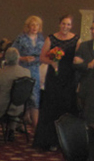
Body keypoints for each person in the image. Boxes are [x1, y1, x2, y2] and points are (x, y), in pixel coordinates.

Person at [33, 14, 78, 152]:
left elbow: (77, 58)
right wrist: (52, 62)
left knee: (66, 106)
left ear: (71, 26)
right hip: (54, 76)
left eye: (68, 24)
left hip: (69, 77)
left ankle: (65, 141)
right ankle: (49, 140)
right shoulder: (51, 38)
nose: (66, 26)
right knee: (51, 106)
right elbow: (42, 57)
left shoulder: (76, 39)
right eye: (64, 23)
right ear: (60, 24)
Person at [12, 16, 45, 135]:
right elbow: (12, 53)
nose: (35, 27)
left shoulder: (41, 39)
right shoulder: (21, 38)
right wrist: (23, 58)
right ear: (28, 26)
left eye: (37, 25)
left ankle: (36, 127)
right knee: (23, 96)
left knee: (35, 97)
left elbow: (44, 54)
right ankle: (20, 121)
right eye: (32, 25)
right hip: (23, 69)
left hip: (36, 70)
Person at [73, 16, 94, 107]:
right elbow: (75, 65)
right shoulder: (84, 46)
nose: (93, 31)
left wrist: (84, 62)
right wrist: (88, 65)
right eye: (92, 29)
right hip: (86, 89)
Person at [0, 47, 32, 122]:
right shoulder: (26, 72)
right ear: (18, 58)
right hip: (20, 107)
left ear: (6, 59)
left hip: (2, 108)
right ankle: (13, 126)